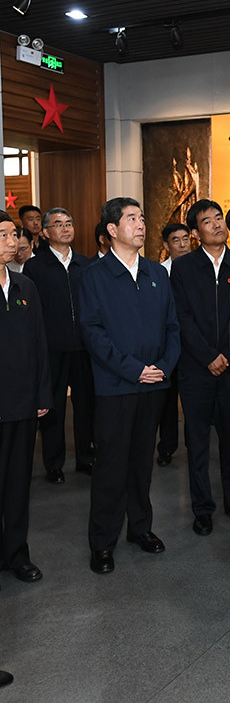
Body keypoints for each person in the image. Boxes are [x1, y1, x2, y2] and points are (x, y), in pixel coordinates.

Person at [79, 197, 180, 574]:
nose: (141, 225)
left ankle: (140, 528)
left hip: (154, 385)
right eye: (132, 219)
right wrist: (134, 369)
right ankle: (102, 543)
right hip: (116, 386)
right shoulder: (94, 275)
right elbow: (93, 332)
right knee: (111, 466)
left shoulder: (157, 273)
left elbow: (172, 327)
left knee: (142, 461)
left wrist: (163, 368)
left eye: (142, 218)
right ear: (112, 229)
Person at [170, 200, 230, 537]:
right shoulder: (184, 268)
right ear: (196, 233)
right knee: (197, 444)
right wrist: (208, 356)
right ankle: (202, 509)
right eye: (208, 221)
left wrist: (227, 355)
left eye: (220, 218)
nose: (217, 225)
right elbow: (182, 317)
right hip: (196, 370)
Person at [23, 208, 95, 484]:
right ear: (45, 232)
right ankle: (54, 463)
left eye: (69, 223)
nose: (65, 229)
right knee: (53, 408)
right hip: (52, 348)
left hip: (84, 347)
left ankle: (86, 457)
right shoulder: (35, 267)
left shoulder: (85, 264)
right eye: (58, 224)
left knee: (85, 405)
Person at [0, 218, 52, 585]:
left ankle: (17, 554)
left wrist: (43, 393)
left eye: (14, 234)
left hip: (22, 403)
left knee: (19, 485)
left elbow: (39, 344)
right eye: (2, 235)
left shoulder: (25, 286)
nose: (11, 240)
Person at [156, 223, 191, 467]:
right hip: (168, 346)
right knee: (168, 403)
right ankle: (166, 448)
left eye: (185, 238)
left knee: (191, 403)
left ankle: (194, 447)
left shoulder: (197, 268)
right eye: (176, 240)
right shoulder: (159, 272)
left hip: (192, 348)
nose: (182, 244)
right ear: (166, 245)